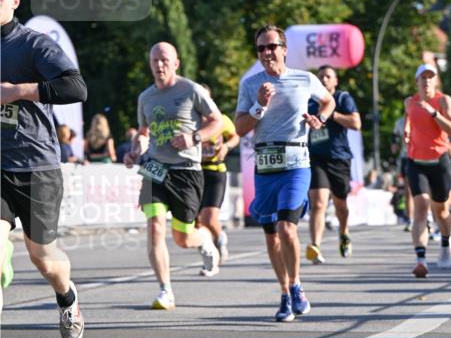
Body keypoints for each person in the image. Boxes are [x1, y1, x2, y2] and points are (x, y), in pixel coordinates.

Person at [0, 0, 87, 338]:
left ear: (16, 1)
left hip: (37, 168)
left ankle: (67, 298)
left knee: (43, 258)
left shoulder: (33, 45)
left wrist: (18, 92)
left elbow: (75, 87)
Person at [235, 25, 334, 322]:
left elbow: (328, 100)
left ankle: (296, 286)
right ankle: (284, 292)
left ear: (284, 49)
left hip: (296, 163)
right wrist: (259, 106)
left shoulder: (304, 79)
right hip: (265, 166)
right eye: (261, 49)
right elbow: (239, 128)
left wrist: (320, 119)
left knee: (287, 228)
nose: (266, 53)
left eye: (272, 47)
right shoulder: (251, 84)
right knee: (271, 238)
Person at [124, 42, 224, 309]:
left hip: (186, 171)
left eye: (165, 60)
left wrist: (194, 137)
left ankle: (204, 240)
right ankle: (165, 290)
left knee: (183, 238)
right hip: (155, 166)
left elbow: (218, 122)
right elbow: (143, 131)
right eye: (154, 60)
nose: (159, 65)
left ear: (176, 63)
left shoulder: (192, 90)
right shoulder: (145, 97)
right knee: (155, 225)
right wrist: (135, 150)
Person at [404, 63, 451, 277]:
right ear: (417, 81)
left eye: (430, 77)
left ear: (435, 81)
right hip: (416, 161)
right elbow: (410, 121)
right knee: (420, 206)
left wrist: (434, 113)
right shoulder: (410, 102)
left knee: (442, 211)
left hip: (439, 161)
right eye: (423, 77)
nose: (426, 80)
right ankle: (421, 259)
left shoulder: (444, 101)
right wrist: (406, 133)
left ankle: (446, 242)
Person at [305, 65, 361, 263]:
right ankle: (315, 245)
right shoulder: (310, 101)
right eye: (321, 77)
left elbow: (356, 123)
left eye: (328, 76)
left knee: (340, 204)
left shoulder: (343, 98)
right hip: (316, 157)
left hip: (339, 158)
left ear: (335, 81)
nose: (325, 80)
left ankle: (344, 233)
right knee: (318, 202)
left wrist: (330, 113)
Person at [196, 85, 240, 264]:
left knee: (209, 217)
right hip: (195, 173)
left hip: (216, 171)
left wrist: (226, 147)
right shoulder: (190, 120)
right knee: (196, 221)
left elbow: (235, 136)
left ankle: (219, 237)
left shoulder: (221, 120)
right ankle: (209, 250)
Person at [392, 113, 413, 230]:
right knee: (408, 190)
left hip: (420, 157)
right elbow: (394, 135)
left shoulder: (420, 118)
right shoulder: (400, 122)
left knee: (424, 191)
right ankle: (410, 219)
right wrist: (394, 144)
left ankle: (427, 217)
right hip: (406, 157)